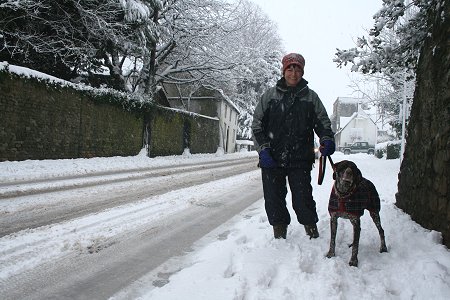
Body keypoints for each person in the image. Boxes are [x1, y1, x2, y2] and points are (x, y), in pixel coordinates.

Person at [251, 53, 335, 239]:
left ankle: (311, 230)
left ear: (302, 71)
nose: (294, 73)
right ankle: (279, 233)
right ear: (284, 71)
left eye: (297, 69)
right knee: (274, 199)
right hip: (272, 158)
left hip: (300, 159)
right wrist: (263, 149)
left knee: (303, 199)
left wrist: (327, 138)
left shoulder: (311, 97)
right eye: (290, 68)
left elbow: (322, 122)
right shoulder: (269, 96)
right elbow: (257, 124)